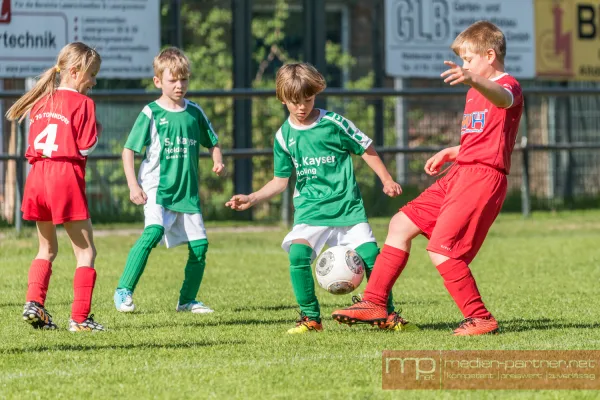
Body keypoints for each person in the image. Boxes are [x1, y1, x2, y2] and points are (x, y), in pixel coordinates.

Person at [332, 21, 524, 336]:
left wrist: (473, 79)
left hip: (482, 178)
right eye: (462, 61)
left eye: (469, 60)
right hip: (461, 171)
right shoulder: (476, 89)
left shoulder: (507, 84)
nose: (464, 66)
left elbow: (503, 99)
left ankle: (480, 318)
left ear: (490, 55)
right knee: (400, 224)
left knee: (442, 248)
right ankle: (375, 302)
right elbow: (487, 138)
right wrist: (454, 151)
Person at [225, 63, 417, 334]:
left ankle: (385, 314)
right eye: (294, 102)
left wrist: (386, 179)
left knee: (373, 258)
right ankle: (310, 318)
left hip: (347, 208)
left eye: (308, 99)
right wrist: (252, 197)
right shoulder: (283, 136)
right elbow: (280, 181)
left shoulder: (334, 124)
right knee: (298, 254)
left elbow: (365, 148)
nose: (302, 107)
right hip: (311, 211)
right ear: (282, 99)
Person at [113, 47, 224, 314]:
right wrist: (133, 185)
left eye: (183, 79)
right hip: (157, 188)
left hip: (187, 192)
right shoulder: (151, 113)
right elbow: (128, 151)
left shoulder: (194, 112)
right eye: (173, 80)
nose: (179, 85)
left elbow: (213, 142)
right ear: (158, 81)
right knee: (153, 232)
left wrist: (217, 160)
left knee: (200, 246)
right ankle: (123, 290)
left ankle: (187, 300)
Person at [6, 42, 105, 332]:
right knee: (86, 253)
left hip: (37, 176)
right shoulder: (84, 104)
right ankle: (80, 318)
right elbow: (86, 147)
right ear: (75, 72)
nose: (94, 81)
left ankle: (34, 303)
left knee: (46, 247)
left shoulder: (40, 102)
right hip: (64, 175)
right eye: (92, 74)